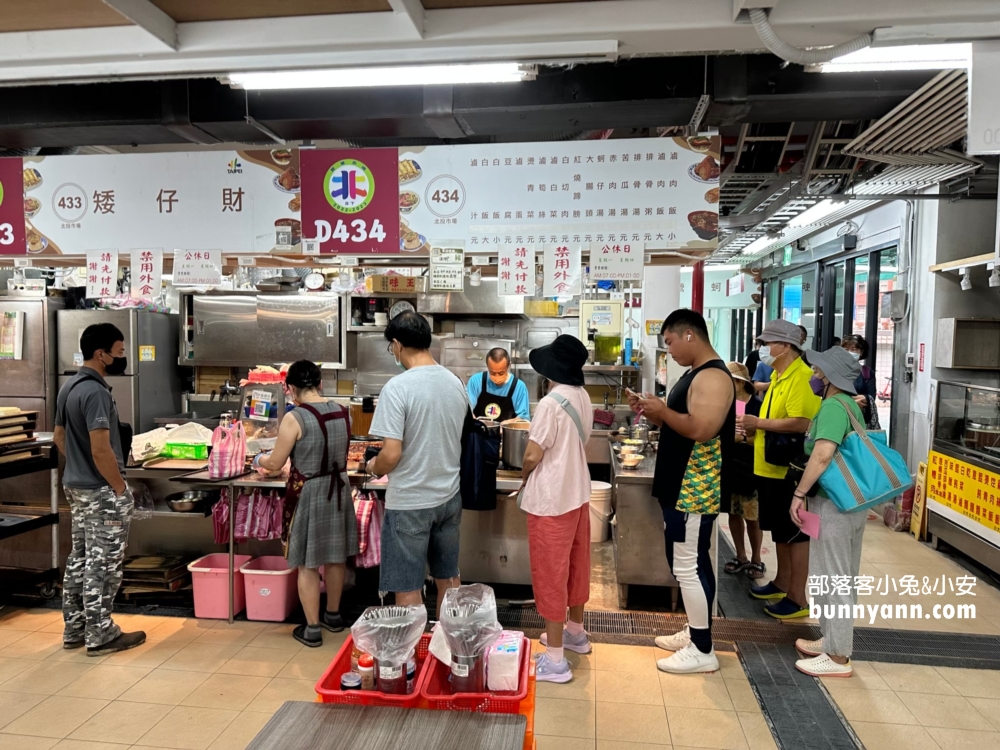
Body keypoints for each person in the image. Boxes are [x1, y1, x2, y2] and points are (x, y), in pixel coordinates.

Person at [630, 310, 735, 674]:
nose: (670, 350)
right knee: (691, 562)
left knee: (688, 566)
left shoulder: (713, 377)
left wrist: (662, 409)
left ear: (689, 335)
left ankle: (703, 649)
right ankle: (695, 631)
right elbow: (681, 424)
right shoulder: (694, 374)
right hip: (681, 485)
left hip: (694, 487)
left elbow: (702, 428)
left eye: (671, 342)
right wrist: (654, 412)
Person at [366, 311, 468, 613]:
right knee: (448, 579)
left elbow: (391, 454)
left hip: (410, 502)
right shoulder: (455, 382)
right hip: (449, 498)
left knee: (408, 587)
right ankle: (448, 653)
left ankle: (410, 659)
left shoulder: (398, 388)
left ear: (397, 345)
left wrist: (373, 468)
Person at [53, 323, 145, 656]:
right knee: (103, 563)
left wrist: (79, 466)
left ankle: (75, 629)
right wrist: (119, 487)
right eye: (119, 352)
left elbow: (60, 438)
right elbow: (101, 449)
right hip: (102, 491)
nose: (121, 358)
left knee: (80, 557)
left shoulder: (69, 387)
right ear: (100, 354)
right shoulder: (94, 393)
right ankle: (101, 633)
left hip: (76, 487)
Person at [253, 360, 358, 647]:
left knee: (308, 564)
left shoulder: (295, 417)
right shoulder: (342, 411)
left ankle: (312, 628)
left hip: (310, 491)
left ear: (291, 389)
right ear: (320, 383)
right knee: (336, 556)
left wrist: (256, 459)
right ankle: (333, 616)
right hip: (338, 488)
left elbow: (275, 464)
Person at [520, 335, 594, 683]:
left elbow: (533, 454)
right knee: (576, 565)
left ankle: (554, 660)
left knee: (551, 572)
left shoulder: (551, 402)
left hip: (551, 499)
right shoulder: (582, 396)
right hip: (578, 493)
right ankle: (575, 632)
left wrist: (522, 474)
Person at [790, 347, 867, 677]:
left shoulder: (835, 407)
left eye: (819, 371)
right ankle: (832, 639)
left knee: (834, 578)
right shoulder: (847, 404)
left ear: (832, 376)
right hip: (850, 502)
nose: (814, 376)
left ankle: (838, 657)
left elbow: (822, 456)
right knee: (838, 576)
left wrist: (799, 493)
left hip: (835, 503)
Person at [738, 319, 820, 620]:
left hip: (791, 471)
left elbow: (802, 423)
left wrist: (758, 423)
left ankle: (798, 598)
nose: (763, 350)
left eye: (767, 343)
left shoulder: (802, 377)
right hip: (770, 467)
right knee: (779, 531)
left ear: (785, 346)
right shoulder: (779, 375)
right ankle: (782, 582)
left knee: (796, 533)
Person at [723, 362, 765, 581]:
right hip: (731, 466)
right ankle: (740, 555)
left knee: (753, 516)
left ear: (739, 383)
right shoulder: (728, 405)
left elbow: (765, 439)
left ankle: (757, 558)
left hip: (752, 468)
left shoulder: (758, 406)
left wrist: (743, 439)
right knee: (733, 512)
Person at [466, 347, 531, 422]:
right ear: (487, 366)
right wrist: (474, 421)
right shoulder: (476, 381)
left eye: (501, 373)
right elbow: (467, 409)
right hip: (479, 431)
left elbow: (524, 419)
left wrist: (507, 424)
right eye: (492, 373)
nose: (497, 377)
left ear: (508, 366)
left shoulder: (519, 387)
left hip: (506, 432)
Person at [840, 335, 880, 429]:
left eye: (853, 349)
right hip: (840, 416)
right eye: (846, 349)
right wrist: (853, 403)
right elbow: (831, 395)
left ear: (861, 352)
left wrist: (849, 400)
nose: (849, 352)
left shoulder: (867, 373)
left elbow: (871, 397)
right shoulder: (835, 371)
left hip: (861, 419)